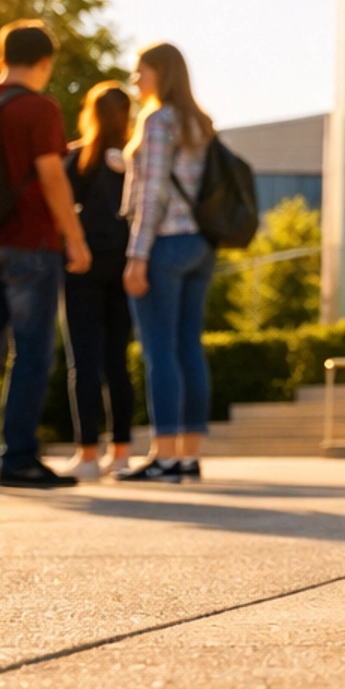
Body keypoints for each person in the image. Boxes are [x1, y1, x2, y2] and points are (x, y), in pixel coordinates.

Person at [0, 20, 91, 489]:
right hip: (30, 244)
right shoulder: (38, 108)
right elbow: (51, 176)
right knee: (31, 352)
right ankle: (18, 459)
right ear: (45, 62)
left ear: (1, 57)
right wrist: (74, 237)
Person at [117, 43, 214, 484]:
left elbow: (153, 192)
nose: (136, 80)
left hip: (164, 244)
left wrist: (136, 256)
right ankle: (188, 455)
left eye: (142, 72)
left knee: (159, 351)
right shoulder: (199, 122)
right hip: (199, 244)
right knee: (188, 347)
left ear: (161, 73)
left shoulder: (157, 121)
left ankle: (164, 455)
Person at [58, 83, 136, 480]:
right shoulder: (135, 159)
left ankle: (87, 454)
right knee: (117, 362)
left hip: (81, 265)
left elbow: (59, 208)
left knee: (83, 362)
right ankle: (121, 452)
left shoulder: (75, 159)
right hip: (126, 265)